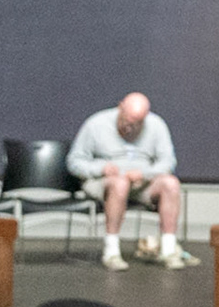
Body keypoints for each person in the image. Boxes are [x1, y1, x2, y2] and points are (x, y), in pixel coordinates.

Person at [66, 92, 196, 269]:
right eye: (127, 121)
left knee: (171, 183)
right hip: (104, 182)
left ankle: (168, 249)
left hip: (141, 183)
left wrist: (145, 173)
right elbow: (74, 162)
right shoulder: (96, 124)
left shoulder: (157, 125)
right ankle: (111, 252)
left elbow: (168, 162)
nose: (130, 127)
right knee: (120, 184)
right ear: (120, 108)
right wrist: (101, 168)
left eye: (137, 123)